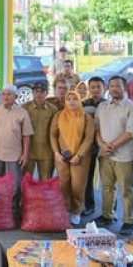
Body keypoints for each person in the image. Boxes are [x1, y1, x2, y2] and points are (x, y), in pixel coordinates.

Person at [94, 75, 133, 236]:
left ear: (125, 88)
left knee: (126, 189)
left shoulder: (132, 108)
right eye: (112, 85)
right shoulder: (102, 107)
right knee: (107, 187)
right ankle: (108, 215)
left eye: (118, 86)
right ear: (108, 88)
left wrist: (111, 146)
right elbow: (96, 129)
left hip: (124, 156)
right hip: (105, 154)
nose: (114, 88)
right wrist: (102, 145)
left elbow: (130, 132)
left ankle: (129, 220)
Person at [50, 90, 95, 226]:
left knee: (78, 185)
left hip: (80, 158)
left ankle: (76, 211)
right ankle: (65, 209)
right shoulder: (59, 115)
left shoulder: (87, 118)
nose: (71, 101)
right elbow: (52, 135)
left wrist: (79, 155)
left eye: (74, 99)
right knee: (63, 184)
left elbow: (89, 138)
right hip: (62, 156)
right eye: (68, 99)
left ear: (79, 100)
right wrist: (56, 153)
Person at [0, 85, 34, 215]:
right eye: (4, 94)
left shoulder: (22, 112)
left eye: (9, 94)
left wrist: (25, 154)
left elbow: (27, 135)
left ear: (16, 97)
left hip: (15, 154)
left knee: (15, 185)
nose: (6, 97)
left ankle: (13, 210)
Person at [81, 76, 106, 216]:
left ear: (104, 88)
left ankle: (109, 210)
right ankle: (89, 206)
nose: (96, 90)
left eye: (99, 87)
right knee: (87, 178)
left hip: (106, 147)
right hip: (89, 146)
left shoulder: (109, 104)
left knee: (108, 180)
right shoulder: (84, 105)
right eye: (93, 87)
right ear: (89, 89)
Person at [23, 83, 58, 180]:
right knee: (26, 180)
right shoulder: (24, 108)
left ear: (46, 93)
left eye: (42, 91)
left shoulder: (53, 109)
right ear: (32, 93)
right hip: (29, 151)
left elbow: (56, 132)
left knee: (45, 182)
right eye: (36, 91)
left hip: (46, 152)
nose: (39, 94)